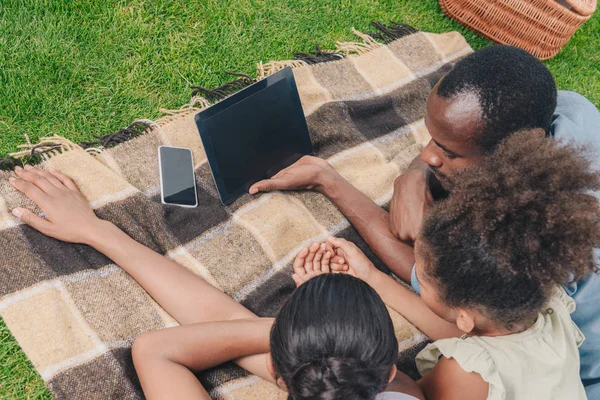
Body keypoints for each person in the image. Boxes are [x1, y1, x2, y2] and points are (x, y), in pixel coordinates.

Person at [249, 45, 600, 396]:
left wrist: (330, 182)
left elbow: (409, 388)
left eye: (448, 153)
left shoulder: (544, 253)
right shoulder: (564, 108)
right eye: (431, 139)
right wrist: (415, 175)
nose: (428, 154)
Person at [7, 165, 423, 400]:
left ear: (279, 373)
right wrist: (310, 336)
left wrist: (299, 332)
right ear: (387, 372)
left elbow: (156, 351)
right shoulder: (407, 395)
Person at [304, 131, 600, 399]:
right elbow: (462, 333)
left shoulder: (467, 373)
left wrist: (328, 326)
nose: (414, 275)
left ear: (463, 315)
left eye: (420, 275)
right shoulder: (547, 308)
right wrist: (372, 277)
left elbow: (404, 395)